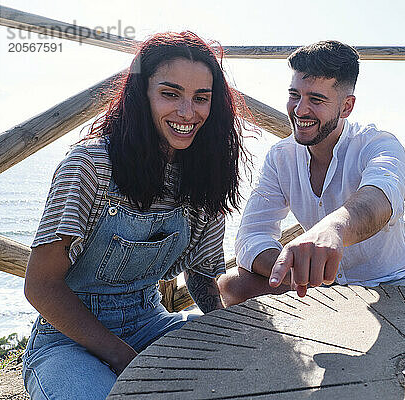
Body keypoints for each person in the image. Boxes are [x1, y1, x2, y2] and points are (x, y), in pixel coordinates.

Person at [22, 31, 247, 399]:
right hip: (66, 339)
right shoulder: (89, 165)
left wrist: (226, 335)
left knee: (251, 371)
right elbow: (40, 286)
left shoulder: (207, 176)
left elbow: (204, 276)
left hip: (149, 321)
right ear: (141, 94)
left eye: (201, 98)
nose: (188, 112)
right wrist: (124, 357)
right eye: (170, 94)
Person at [219, 40, 405, 306]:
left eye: (316, 99)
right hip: (320, 287)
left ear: (346, 107)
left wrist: (334, 229)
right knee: (233, 285)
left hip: (391, 283)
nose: (299, 110)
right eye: (295, 95)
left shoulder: (379, 144)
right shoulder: (280, 156)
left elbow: (380, 198)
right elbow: (252, 236)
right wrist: (291, 267)